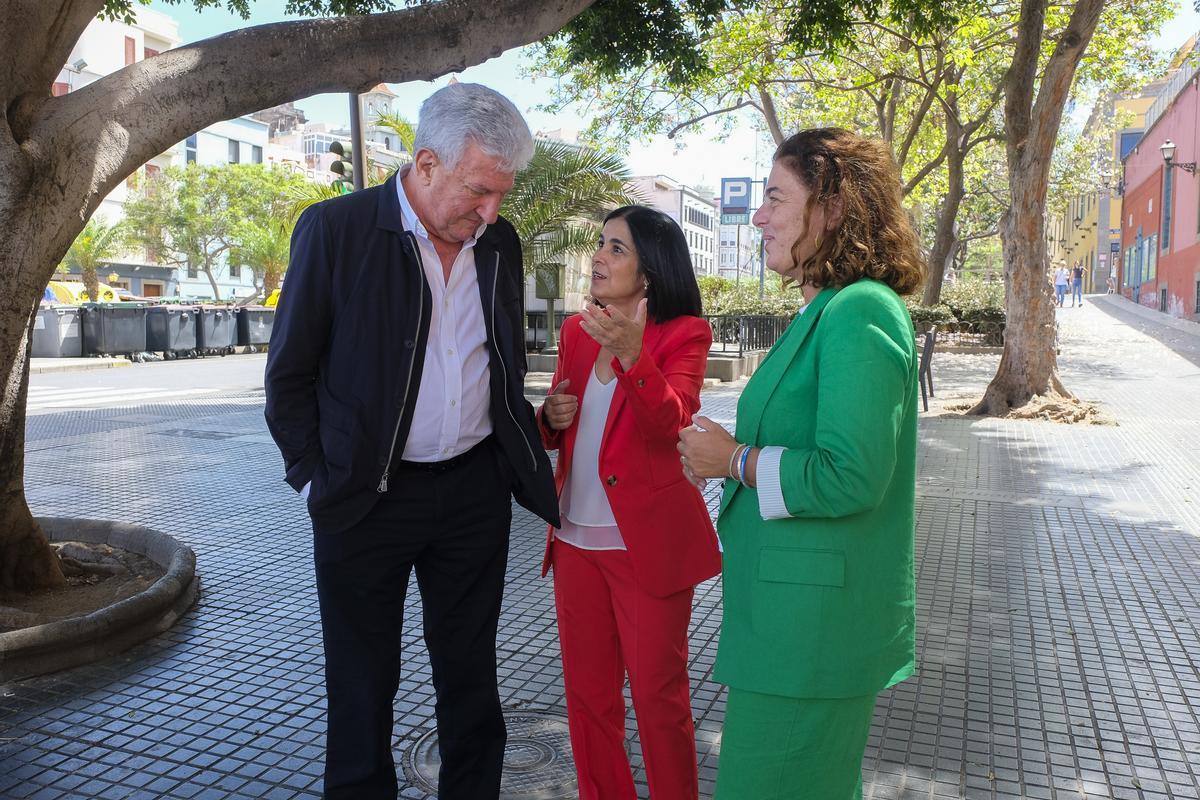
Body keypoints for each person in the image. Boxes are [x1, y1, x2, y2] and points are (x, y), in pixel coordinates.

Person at [264, 83, 558, 800]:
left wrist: (517, 446)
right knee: (362, 687)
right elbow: (290, 375)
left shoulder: (500, 244)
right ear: (426, 164)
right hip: (364, 499)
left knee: (471, 677)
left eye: (501, 195)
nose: (490, 212)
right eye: (479, 190)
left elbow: (502, 361)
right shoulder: (335, 231)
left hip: (471, 495)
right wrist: (315, 479)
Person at [677, 127, 923, 800]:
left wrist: (734, 460)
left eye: (776, 197)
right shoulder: (829, 308)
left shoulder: (860, 309)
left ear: (834, 209)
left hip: (812, 638)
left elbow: (852, 474)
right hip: (791, 627)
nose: (759, 215)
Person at [537, 206, 721, 800]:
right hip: (574, 545)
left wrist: (634, 353)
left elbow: (675, 422)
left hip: (644, 549)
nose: (598, 256)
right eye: (600, 244)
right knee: (588, 702)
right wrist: (549, 418)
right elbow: (562, 422)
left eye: (617, 248)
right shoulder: (574, 330)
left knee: (657, 699)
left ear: (649, 272)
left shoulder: (685, 332)